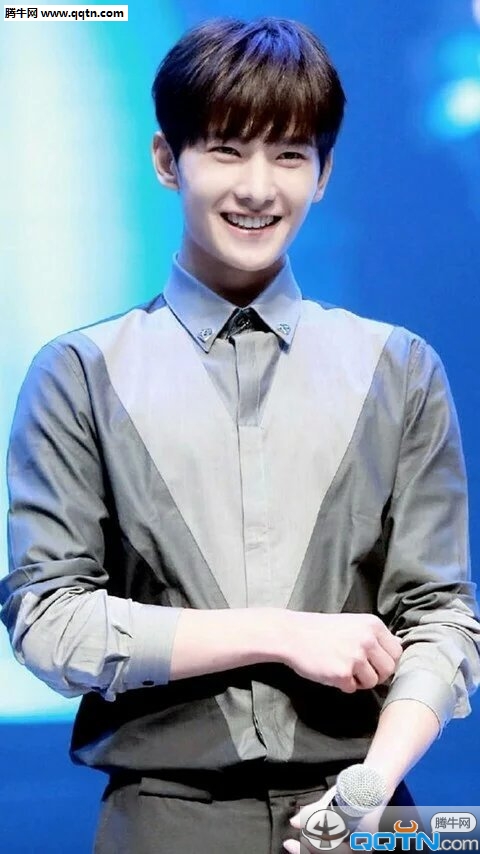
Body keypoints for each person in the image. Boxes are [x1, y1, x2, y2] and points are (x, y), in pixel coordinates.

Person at [1, 16, 479, 854]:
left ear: (323, 174)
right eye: (226, 150)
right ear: (167, 160)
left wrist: (371, 787)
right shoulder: (81, 373)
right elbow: (50, 622)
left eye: (289, 155)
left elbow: (441, 617)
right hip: (165, 818)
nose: (257, 188)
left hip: (368, 809)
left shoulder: (398, 368)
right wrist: (281, 632)